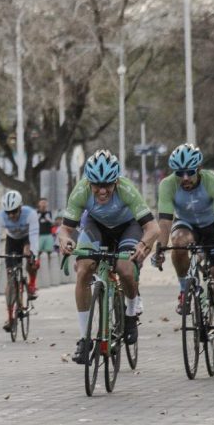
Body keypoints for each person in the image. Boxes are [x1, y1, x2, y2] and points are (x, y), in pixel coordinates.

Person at [58, 150, 159, 364]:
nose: (102, 191)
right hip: (96, 226)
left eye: (108, 185)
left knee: (125, 269)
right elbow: (65, 230)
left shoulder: (126, 189)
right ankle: (85, 339)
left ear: (116, 181)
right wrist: (65, 241)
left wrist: (143, 245)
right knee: (84, 269)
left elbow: (153, 228)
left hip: (128, 227)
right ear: (88, 182)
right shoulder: (81, 190)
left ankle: (131, 314)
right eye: (97, 185)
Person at [151, 143, 214, 364]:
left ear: (198, 169)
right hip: (186, 225)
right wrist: (160, 248)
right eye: (180, 173)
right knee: (177, 244)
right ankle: (183, 290)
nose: (185, 178)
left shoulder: (213, 182)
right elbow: (165, 220)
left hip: (212, 227)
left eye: (190, 172)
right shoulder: (167, 185)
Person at [0, 190, 40, 331]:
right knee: (10, 278)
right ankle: (10, 317)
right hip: (12, 241)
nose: (11, 215)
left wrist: (35, 256)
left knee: (29, 255)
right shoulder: (1, 217)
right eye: (8, 212)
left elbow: (34, 237)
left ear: (20, 207)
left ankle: (32, 283)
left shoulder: (30, 214)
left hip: (26, 238)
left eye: (14, 211)